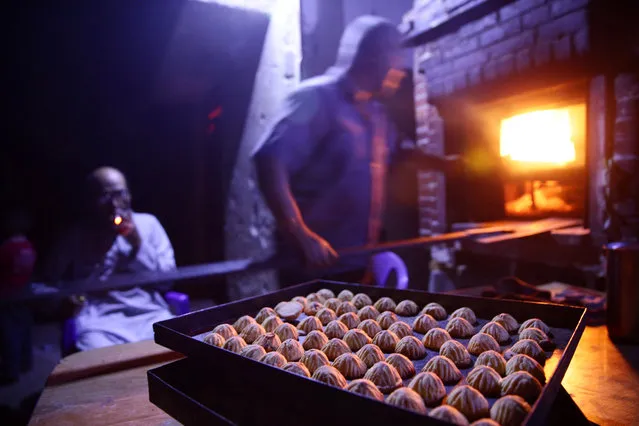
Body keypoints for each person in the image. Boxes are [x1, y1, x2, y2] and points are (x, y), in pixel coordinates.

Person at [252, 16, 459, 286]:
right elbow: (269, 158)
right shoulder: (314, 98)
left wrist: (445, 164)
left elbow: (399, 152)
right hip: (313, 266)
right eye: (397, 58)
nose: (401, 70)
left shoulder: (375, 112)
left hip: (356, 261)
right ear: (376, 57)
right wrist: (302, 234)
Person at [46, 167, 176, 351]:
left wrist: (138, 245)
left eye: (120, 194)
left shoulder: (149, 224)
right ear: (90, 201)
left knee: (173, 346)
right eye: (105, 196)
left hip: (148, 313)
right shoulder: (77, 235)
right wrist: (66, 300)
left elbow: (167, 281)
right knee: (96, 355)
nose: (114, 204)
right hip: (99, 322)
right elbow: (50, 281)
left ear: (129, 195)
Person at [0, 209, 37, 383]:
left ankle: (11, 371)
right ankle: (25, 363)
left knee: (9, 334)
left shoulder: (6, 248)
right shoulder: (28, 246)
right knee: (24, 329)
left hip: (7, 296)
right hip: (25, 294)